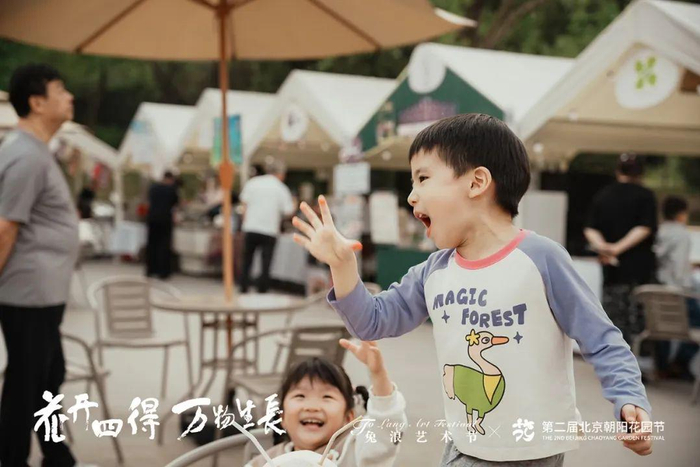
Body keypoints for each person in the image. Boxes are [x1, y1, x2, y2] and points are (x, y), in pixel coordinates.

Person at [292, 114, 652, 465]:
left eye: (423, 178)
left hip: (527, 450)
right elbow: (371, 322)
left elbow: (601, 337)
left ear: (477, 182)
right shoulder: (433, 271)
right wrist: (342, 265)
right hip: (465, 441)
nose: (412, 197)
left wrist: (628, 396)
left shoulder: (541, 258)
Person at [0, 64, 93, 467]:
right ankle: (12, 459)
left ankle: (56, 454)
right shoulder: (26, 156)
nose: (69, 97)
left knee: (46, 375)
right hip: (28, 292)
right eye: (60, 90)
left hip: (41, 292)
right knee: (27, 380)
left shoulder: (35, 151)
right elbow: (5, 227)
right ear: (37, 103)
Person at [247, 340, 407, 466]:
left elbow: (386, 431)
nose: (312, 407)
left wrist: (378, 374)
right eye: (300, 396)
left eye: (327, 397)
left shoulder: (356, 452)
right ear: (282, 417)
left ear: (349, 418)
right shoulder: (264, 461)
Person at [584, 153, 658, 345]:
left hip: (611, 271)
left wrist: (604, 248)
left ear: (618, 171)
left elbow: (590, 228)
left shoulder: (603, 195)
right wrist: (617, 248)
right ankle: (638, 360)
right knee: (638, 323)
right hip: (639, 272)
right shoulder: (646, 196)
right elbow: (644, 228)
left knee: (613, 321)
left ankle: (614, 359)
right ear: (641, 173)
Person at [654, 196, 699, 379]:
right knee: (696, 322)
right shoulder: (681, 234)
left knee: (661, 329)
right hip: (678, 291)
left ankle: (662, 366)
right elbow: (679, 268)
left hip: (657, 289)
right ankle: (680, 363)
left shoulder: (659, 231)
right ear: (681, 214)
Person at [239, 159, 294, 293]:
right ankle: (262, 289)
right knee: (266, 262)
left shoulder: (253, 183)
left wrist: (244, 223)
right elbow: (288, 211)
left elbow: (244, 205)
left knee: (247, 260)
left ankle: (243, 287)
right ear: (280, 174)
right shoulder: (281, 188)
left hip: (251, 227)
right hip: (269, 229)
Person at [145, 170, 179, 279]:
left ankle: (150, 269)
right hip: (165, 219)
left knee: (152, 244)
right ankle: (163, 271)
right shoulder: (171, 189)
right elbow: (175, 204)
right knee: (164, 245)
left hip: (152, 218)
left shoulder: (153, 188)